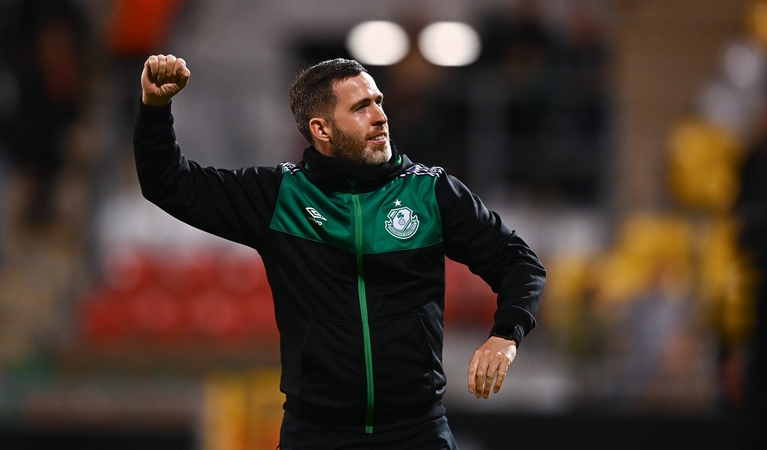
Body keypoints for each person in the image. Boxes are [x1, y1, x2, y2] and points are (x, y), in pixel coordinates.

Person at [134, 54, 546, 449]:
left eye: (379, 102)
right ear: (322, 129)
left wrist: (506, 334)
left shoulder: (430, 192)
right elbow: (169, 184)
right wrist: (155, 109)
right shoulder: (280, 197)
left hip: (417, 431)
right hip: (316, 434)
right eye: (361, 107)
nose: (381, 116)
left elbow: (518, 261)